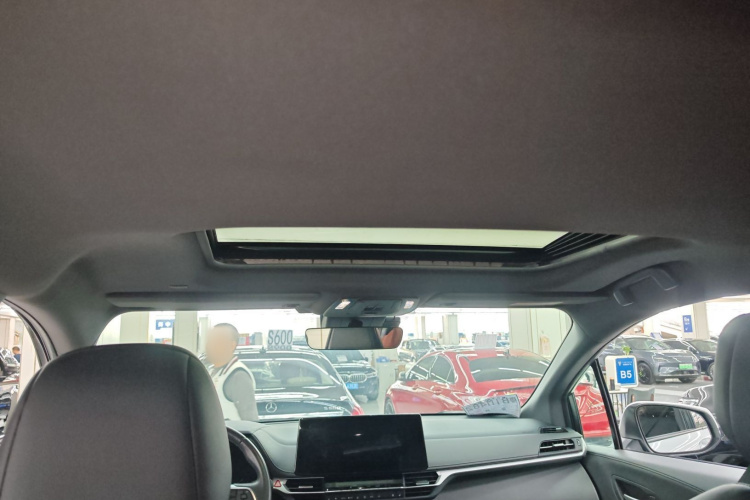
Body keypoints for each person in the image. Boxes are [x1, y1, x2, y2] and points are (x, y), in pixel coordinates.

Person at [204, 323, 259, 421]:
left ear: (231, 345)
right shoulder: (212, 371)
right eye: (209, 341)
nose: (208, 346)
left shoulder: (238, 376)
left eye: (215, 341)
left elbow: (250, 420)